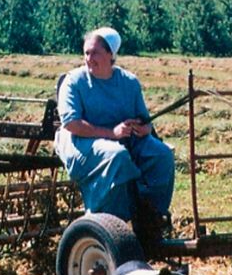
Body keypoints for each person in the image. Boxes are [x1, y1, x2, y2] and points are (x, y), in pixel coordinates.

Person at [55, 27, 175, 242]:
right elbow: (71, 124)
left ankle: (150, 216)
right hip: (81, 141)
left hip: (123, 139)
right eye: (86, 53)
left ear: (111, 55)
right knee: (117, 156)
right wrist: (112, 133)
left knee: (162, 154)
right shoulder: (74, 82)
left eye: (95, 53)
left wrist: (140, 128)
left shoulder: (128, 82)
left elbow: (146, 123)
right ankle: (110, 225)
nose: (89, 59)